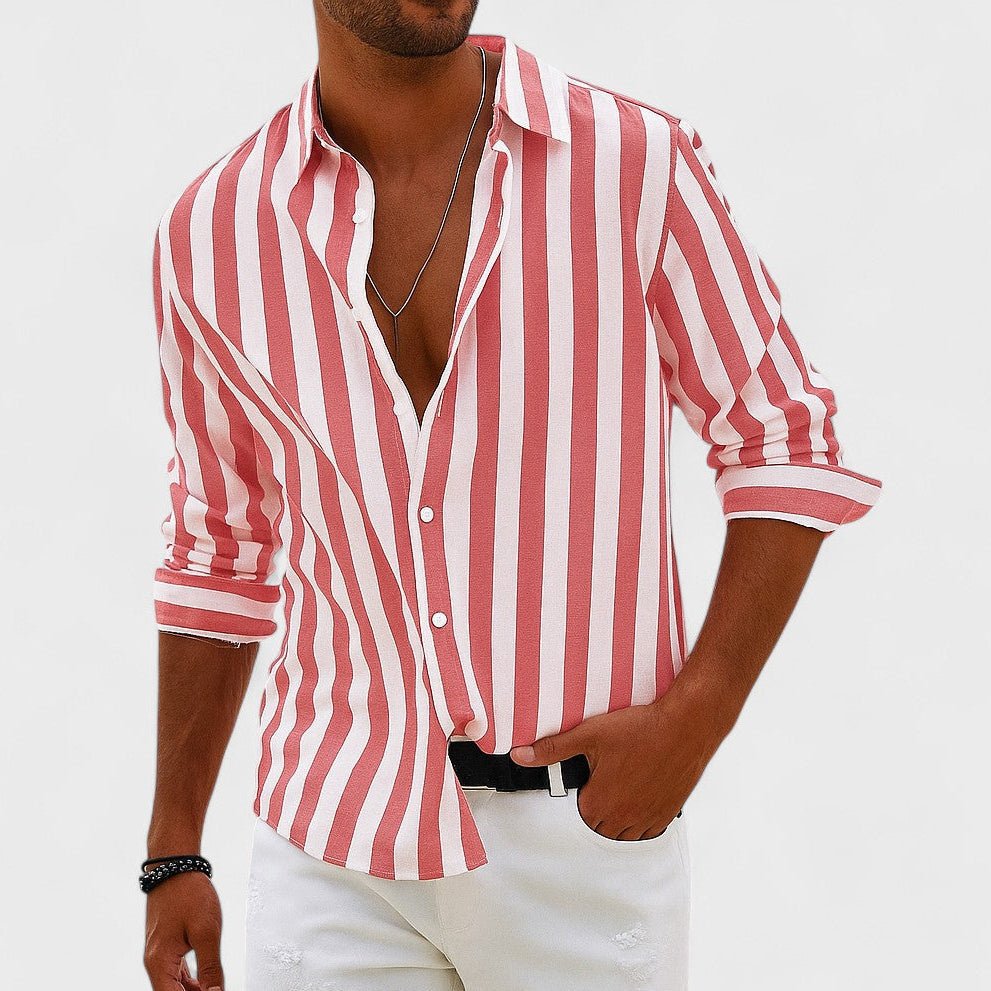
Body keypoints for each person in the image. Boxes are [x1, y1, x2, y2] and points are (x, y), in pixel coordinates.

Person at [141, 3, 882, 989]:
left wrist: (697, 716)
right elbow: (219, 544)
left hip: (586, 841)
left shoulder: (629, 164)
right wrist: (173, 847)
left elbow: (783, 437)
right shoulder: (215, 232)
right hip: (333, 841)